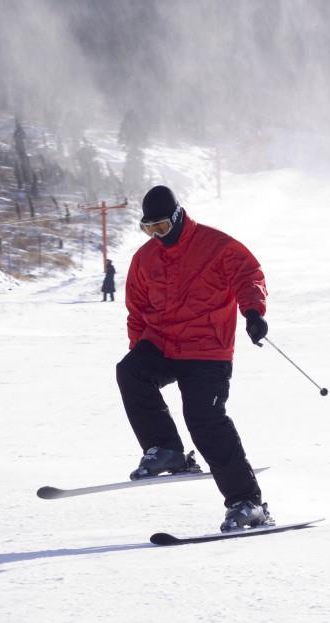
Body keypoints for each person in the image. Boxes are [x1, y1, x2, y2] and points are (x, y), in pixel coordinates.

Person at [117, 185, 272, 532]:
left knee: (204, 419)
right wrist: (138, 348)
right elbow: (137, 310)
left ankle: (247, 502)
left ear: (177, 217)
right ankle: (165, 449)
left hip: (207, 350)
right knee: (130, 372)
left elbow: (249, 275)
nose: (157, 235)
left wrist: (253, 312)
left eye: (161, 227)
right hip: (164, 344)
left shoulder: (215, 245)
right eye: (148, 229)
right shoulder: (144, 259)